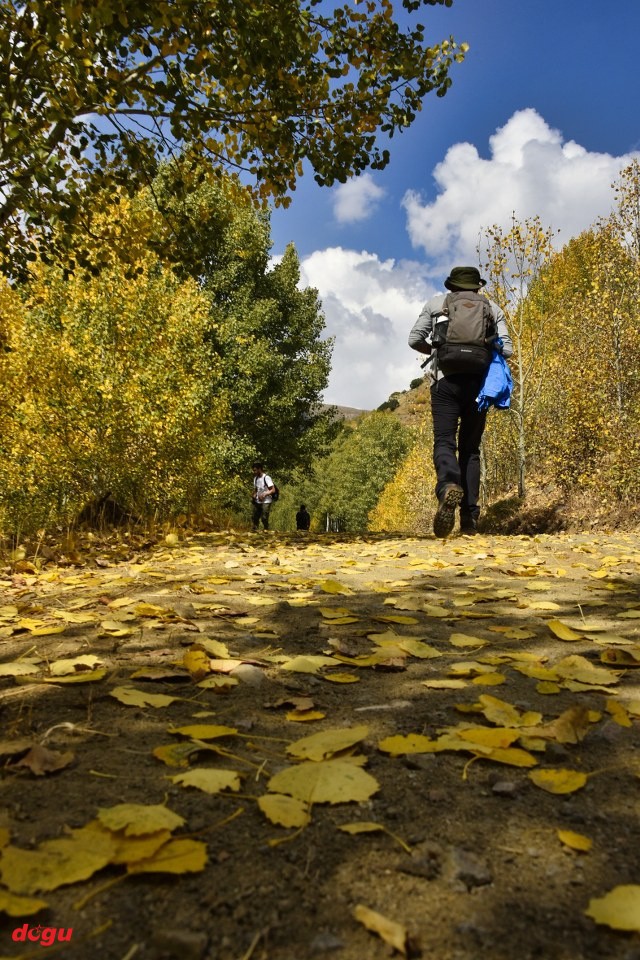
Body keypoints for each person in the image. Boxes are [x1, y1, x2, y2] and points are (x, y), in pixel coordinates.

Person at [408, 266, 512, 537]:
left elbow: (413, 339)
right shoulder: (492, 308)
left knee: (444, 441)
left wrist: (437, 349)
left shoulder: (436, 304)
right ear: (477, 286)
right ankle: (469, 521)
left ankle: (447, 487)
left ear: (451, 286)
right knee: (471, 449)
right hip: (479, 385)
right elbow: (508, 349)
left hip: (445, 382)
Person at [251, 461, 276, 531]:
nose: (254, 472)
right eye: (253, 470)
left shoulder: (266, 478)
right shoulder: (255, 479)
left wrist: (265, 494)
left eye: (255, 470)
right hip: (257, 501)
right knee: (254, 517)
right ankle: (255, 531)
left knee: (264, 517)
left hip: (266, 501)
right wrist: (254, 495)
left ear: (260, 469)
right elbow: (256, 489)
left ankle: (266, 530)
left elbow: (273, 490)